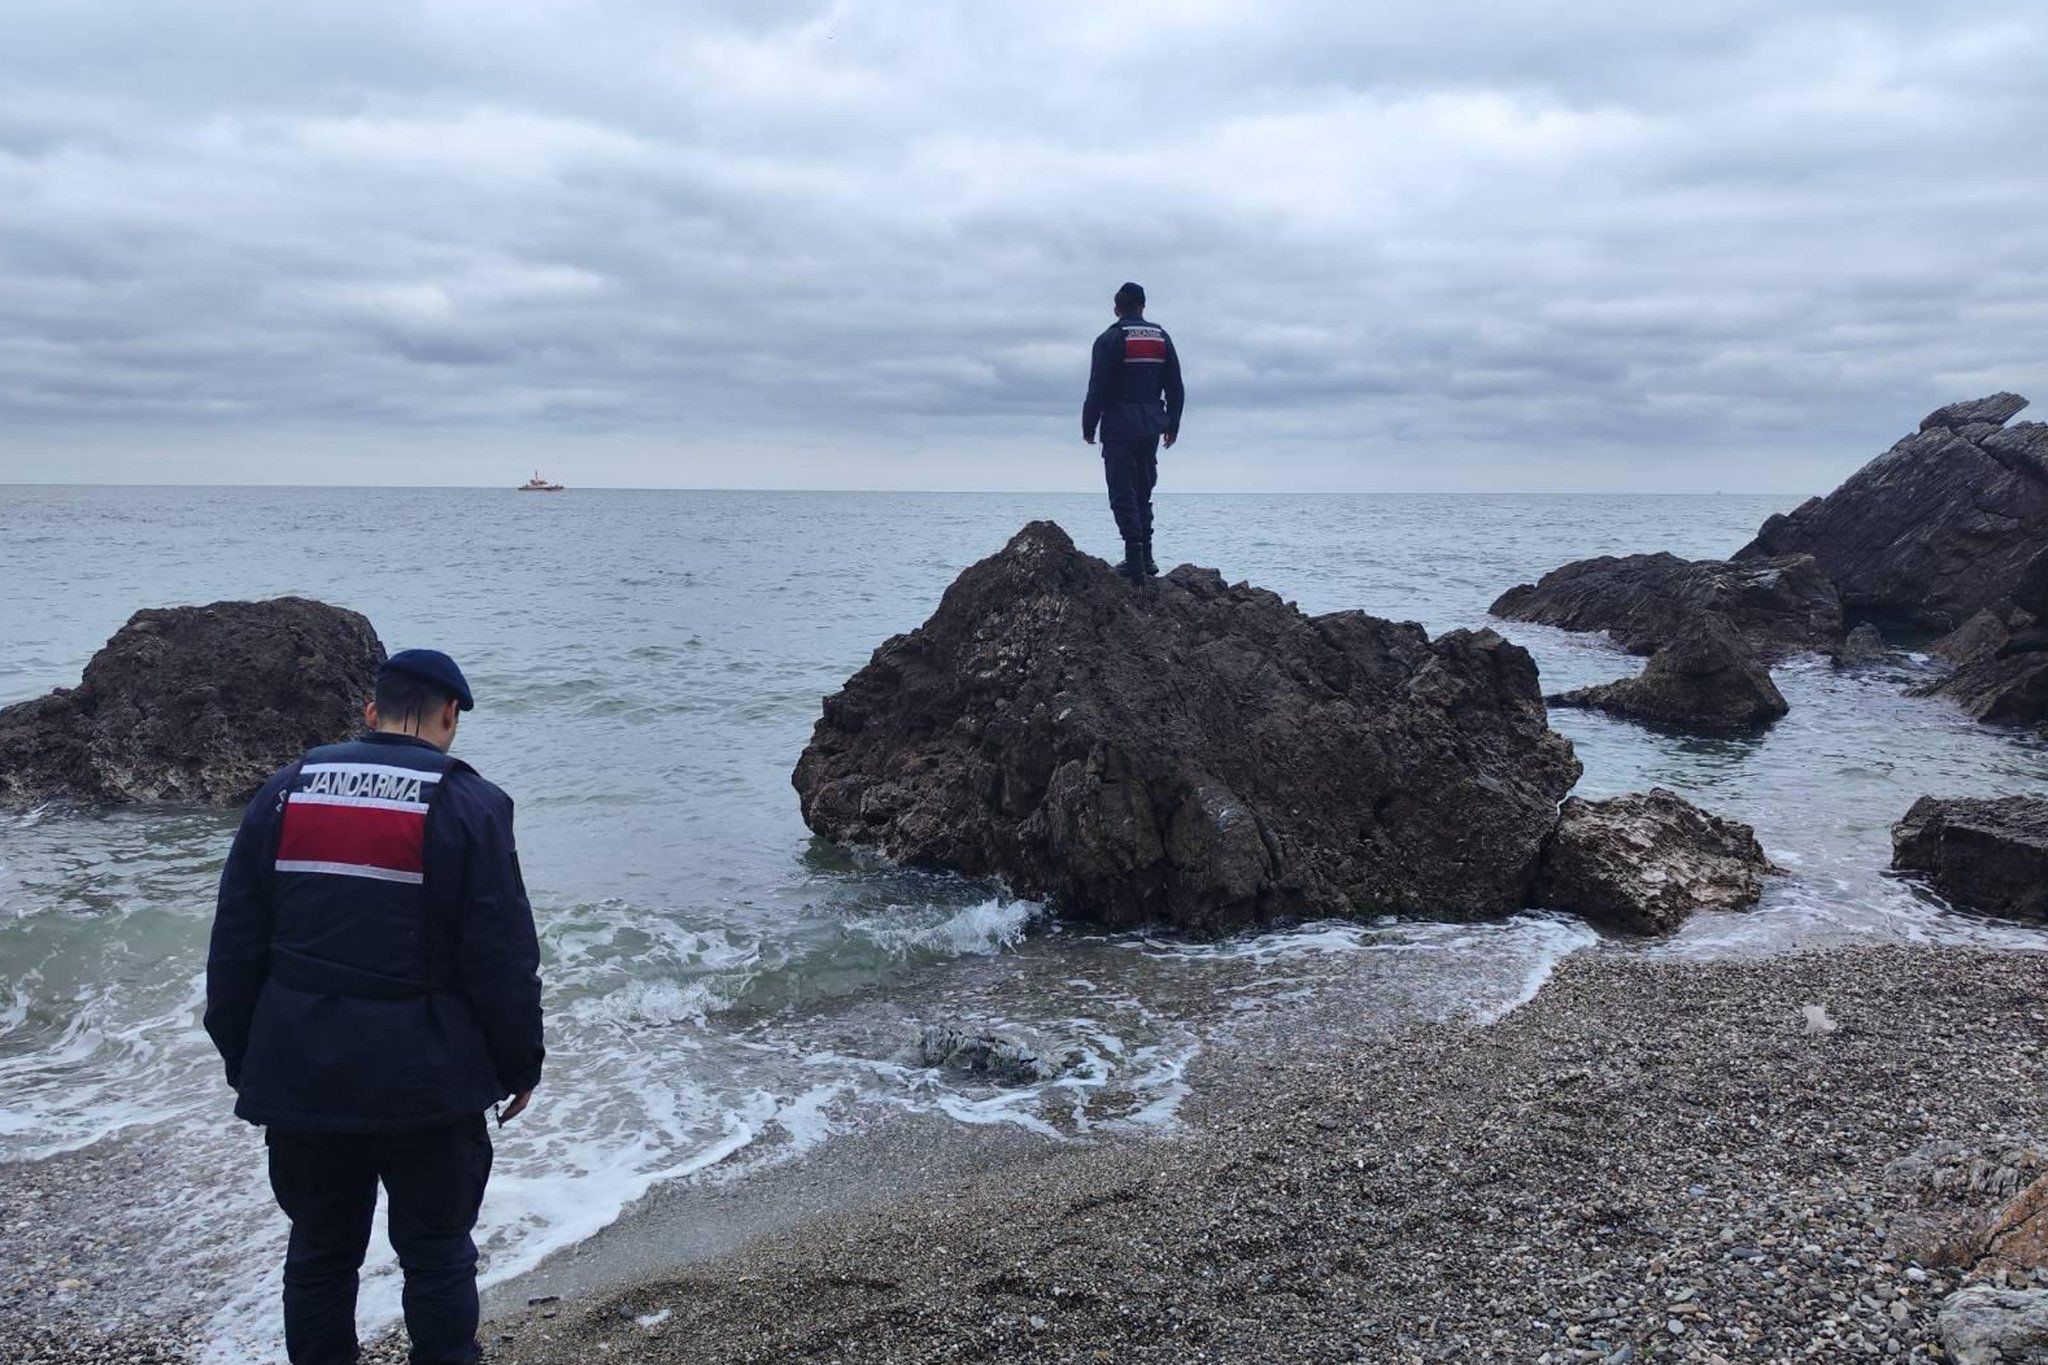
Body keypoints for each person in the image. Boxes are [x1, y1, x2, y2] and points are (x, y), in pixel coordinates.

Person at [205, 648, 544, 1365]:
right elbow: (502, 958)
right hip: (426, 1080)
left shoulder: (284, 793)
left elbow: (235, 944)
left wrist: (247, 1057)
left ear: (371, 713)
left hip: (302, 1071)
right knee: (436, 1250)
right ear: (450, 715)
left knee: (322, 1250)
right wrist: (520, 1062)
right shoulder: (470, 803)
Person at [1082, 281, 1185, 583]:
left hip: (1119, 425)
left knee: (1122, 490)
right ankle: (1147, 556)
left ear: (1116, 308)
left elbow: (1097, 389)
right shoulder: (1161, 338)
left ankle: (1134, 559)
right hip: (1152, 424)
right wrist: (1173, 423)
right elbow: (1175, 385)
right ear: (1143, 306)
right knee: (1143, 487)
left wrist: (1089, 426)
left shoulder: (1109, 339)